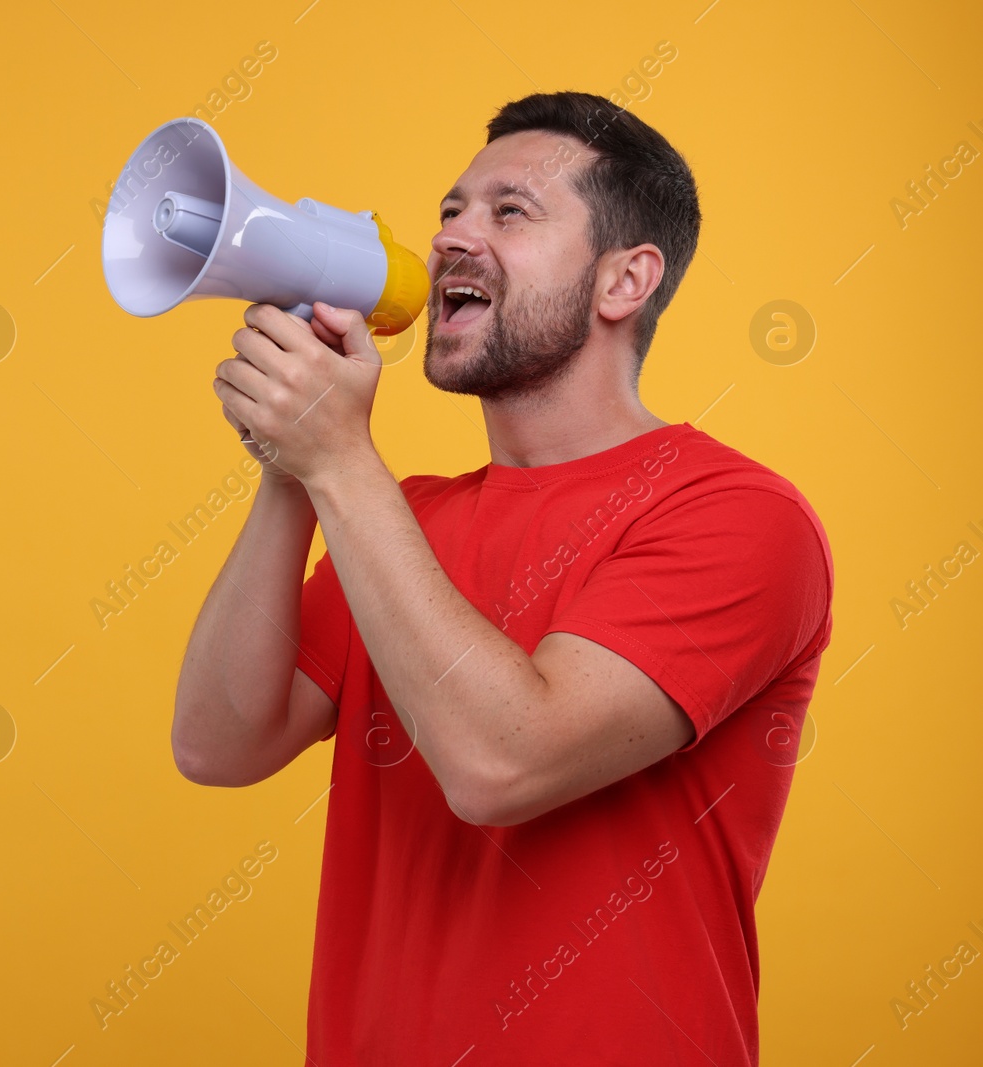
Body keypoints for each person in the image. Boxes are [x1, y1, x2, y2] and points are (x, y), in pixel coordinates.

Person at [171, 90, 834, 1066]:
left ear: (624, 280)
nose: (451, 240)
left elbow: (503, 762)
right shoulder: (404, 518)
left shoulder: (737, 515)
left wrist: (341, 465)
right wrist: (291, 470)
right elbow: (218, 741)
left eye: (508, 212)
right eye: (449, 210)